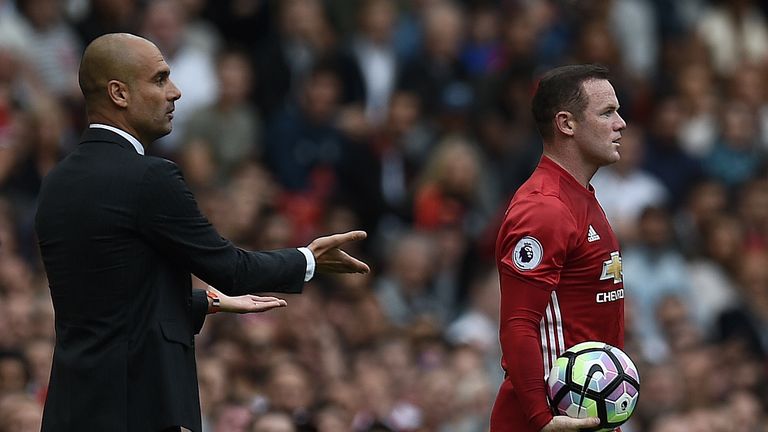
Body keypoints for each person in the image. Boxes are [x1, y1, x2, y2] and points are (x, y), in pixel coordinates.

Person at [34, 33, 370, 432]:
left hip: (71, 412)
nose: (174, 93)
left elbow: (105, 305)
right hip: (138, 411)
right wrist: (309, 259)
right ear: (119, 93)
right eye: (159, 80)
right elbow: (232, 268)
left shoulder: (57, 181)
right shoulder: (150, 178)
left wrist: (205, 303)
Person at [491, 64, 626, 432]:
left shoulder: (579, 196)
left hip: (585, 415)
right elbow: (518, 325)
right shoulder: (544, 207)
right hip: (551, 420)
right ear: (566, 124)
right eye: (607, 112)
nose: (621, 123)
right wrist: (542, 419)